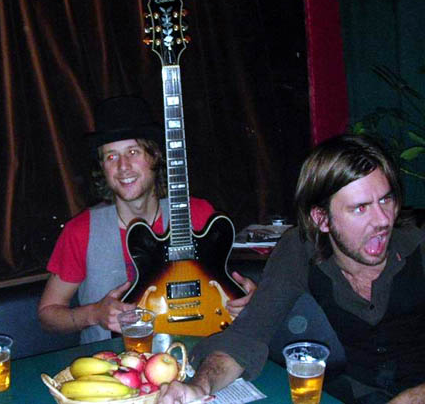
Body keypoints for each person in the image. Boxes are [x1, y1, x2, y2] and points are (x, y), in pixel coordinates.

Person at [159, 134, 425, 404]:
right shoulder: (299, 249)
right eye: (360, 208)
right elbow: (246, 336)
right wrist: (198, 387)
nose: (382, 220)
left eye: (385, 200)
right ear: (322, 219)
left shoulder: (419, 244)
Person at [38, 96, 255, 344]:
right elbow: (47, 316)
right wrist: (93, 314)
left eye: (133, 152)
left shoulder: (198, 214)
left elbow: (228, 289)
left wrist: (248, 299)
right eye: (111, 157)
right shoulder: (81, 230)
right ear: (103, 168)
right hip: (112, 362)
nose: (123, 166)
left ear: (155, 157)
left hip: (202, 354)